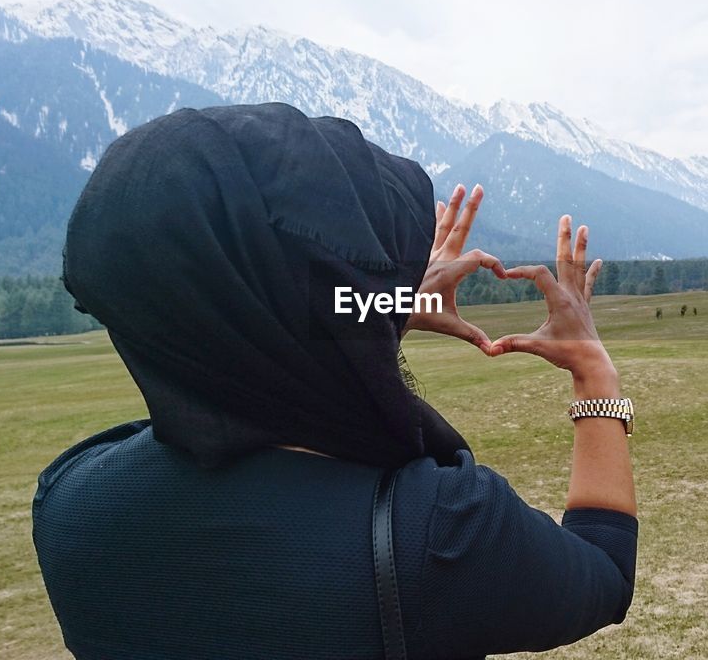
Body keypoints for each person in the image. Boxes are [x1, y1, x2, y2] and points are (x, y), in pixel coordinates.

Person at [32, 103, 637, 660]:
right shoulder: (442, 536)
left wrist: (378, 311)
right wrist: (591, 368)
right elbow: (604, 574)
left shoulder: (72, 506)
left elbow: (252, 364)